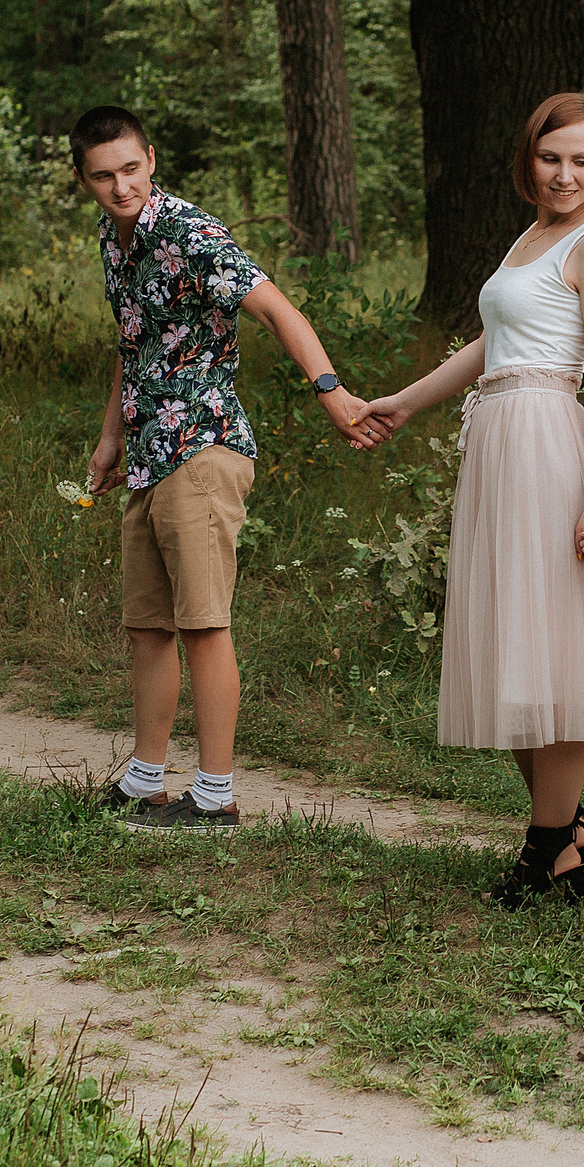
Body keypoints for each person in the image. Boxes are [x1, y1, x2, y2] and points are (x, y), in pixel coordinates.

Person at [361, 92, 584, 905]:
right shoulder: (533, 237)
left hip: (551, 443)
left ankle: (546, 848)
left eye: (582, 159)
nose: (564, 173)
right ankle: (569, 829)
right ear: (530, 158)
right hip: (499, 446)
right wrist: (406, 401)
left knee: (555, 650)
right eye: (551, 157)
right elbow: (494, 344)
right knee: (518, 647)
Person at [73, 105, 377, 833]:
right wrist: (109, 438)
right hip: (148, 456)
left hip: (202, 447)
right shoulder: (115, 242)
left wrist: (330, 391)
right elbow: (132, 344)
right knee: (148, 625)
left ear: (152, 156)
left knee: (203, 624)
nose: (122, 187)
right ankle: (146, 780)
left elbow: (275, 309)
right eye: (104, 176)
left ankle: (214, 797)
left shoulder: (192, 232)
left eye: (132, 169)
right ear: (84, 180)